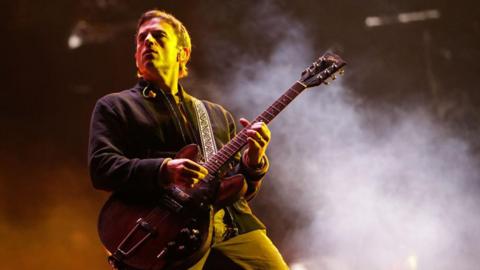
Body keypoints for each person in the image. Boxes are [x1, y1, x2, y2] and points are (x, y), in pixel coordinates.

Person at [88, 9, 289, 270]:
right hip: (163, 232)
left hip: (233, 225)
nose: (148, 42)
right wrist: (164, 170)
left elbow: (242, 189)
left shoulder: (216, 115)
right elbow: (101, 168)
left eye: (159, 36)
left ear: (182, 53)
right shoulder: (116, 106)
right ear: (136, 56)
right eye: (141, 39)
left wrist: (254, 160)